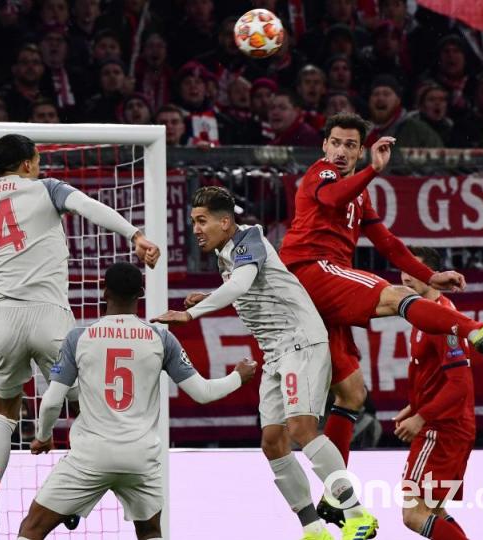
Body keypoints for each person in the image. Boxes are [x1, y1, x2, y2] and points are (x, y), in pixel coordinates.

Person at [277, 112, 483, 525]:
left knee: (352, 396)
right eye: (335, 143)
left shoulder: (360, 195)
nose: (341, 152)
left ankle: (334, 492)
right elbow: (329, 200)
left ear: (360, 149)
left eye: (350, 146)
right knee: (394, 294)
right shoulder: (321, 175)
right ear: (324, 146)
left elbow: (388, 242)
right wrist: (373, 172)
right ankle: (475, 330)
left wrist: (431, 276)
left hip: (324, 287)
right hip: (311, 268)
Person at [153, 187, 378, 540]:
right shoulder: (225, 254)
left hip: (300, 342)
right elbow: (245, 288)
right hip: (275, 353)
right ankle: (313, 529)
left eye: (202, 220)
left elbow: (242, 283)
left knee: (303, 429)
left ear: (225, 222)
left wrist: (193, 312)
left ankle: (356, 513)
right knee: (272, 441)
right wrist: (211, 296)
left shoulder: (249, 238)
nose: (196, 228)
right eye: (193, 221)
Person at [0, 134, 160, 539]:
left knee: (3, 409)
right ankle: (73, 491)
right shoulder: (45, 188)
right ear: (26, 164)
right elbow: (87, 206)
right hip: (49, 314)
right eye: (35, 161)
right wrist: (134, 235)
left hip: (2, 315)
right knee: (87, 397)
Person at [18, 262, 255, 540]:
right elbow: (203, 393)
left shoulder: (79, 338)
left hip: (91, 456)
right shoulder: (160, 338)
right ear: (140, 294)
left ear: (104, 292)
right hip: (140, 458)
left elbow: (51, 402)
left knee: (32, 528)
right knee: (150, 532)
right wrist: (238, 377)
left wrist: (43, 436)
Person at [394, 247, 474, 540]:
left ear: (433, 276)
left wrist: (421, 417)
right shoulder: (424, 314)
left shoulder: (441, 320)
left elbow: (460, 384)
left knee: (413, 515)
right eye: (403, 270)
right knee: (434, 511)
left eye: (415, 271)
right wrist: (412, 407)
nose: (406, 277)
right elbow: (438, 377)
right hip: (448, 426)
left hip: (441, 429)